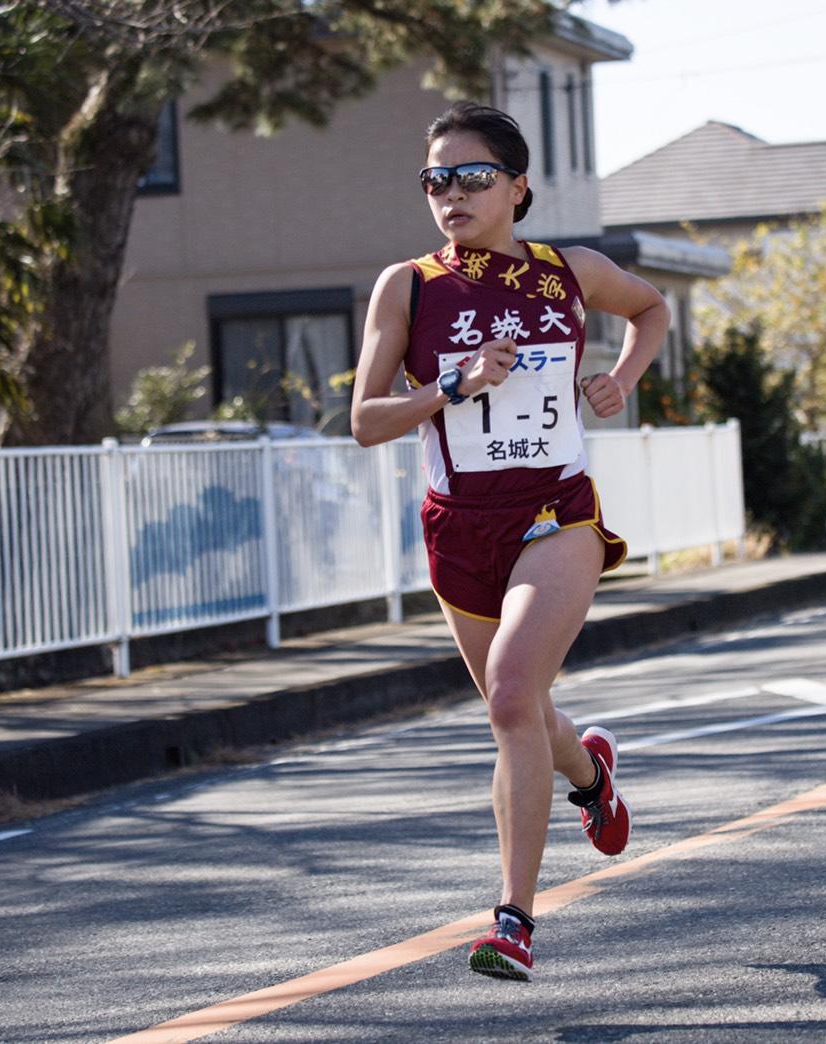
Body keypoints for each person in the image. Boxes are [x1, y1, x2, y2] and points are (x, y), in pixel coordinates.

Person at [350, 102, 668, 981]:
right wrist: (451, 383)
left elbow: (652, 309)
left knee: (507, 697)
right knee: (525, 711)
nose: (450, 194)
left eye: (472, 176)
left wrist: (621, 378)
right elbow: (365, 420)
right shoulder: (407, 286)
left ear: (519, 187)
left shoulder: (572, 271)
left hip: (555, 513)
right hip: (460, 528)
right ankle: (592, 777)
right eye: (435, 180)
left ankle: (515, 921)